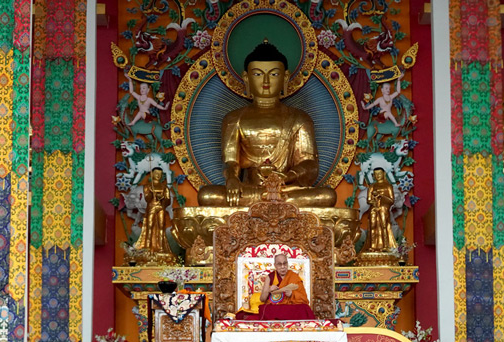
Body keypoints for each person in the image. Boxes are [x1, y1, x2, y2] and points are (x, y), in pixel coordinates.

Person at [197, 39, 336, 207]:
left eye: (274, 74)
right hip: (249, 190)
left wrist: (288, 176)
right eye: (257, 74)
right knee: (207, 195)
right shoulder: (234, 118)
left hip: (286, 191)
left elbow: (310, 164)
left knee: (327, 196)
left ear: (286, 77)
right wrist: (232, 180)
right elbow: (231, 162)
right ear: (246, 78)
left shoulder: (299, 118)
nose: (266, 81)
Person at [137, 167, 172, 254]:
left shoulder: (164, 187)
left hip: (161, 207)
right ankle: (147, 247)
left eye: (160, 174)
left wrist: (162, 198)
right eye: (156, 173)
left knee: (161, 227)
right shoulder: (147, 186)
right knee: (149, 226)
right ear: (152, 174)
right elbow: (147, 199)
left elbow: (168, 200)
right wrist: (151, 194)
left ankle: (161, 247)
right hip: (151, 207)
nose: (158, 175)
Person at [363, 168, 397, 252]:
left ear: (384, 174)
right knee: (373, 226)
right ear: (373, 176)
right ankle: (373, 246)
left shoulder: (388, 186)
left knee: (384, 225)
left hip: (384, 208)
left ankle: (386, 245)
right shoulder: (372, 186)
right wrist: (373, 200)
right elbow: (368, 200)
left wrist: (381, 196)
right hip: (374, 208)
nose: (378, 176)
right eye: (376, 174)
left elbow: (392, 200)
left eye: (379, 173)